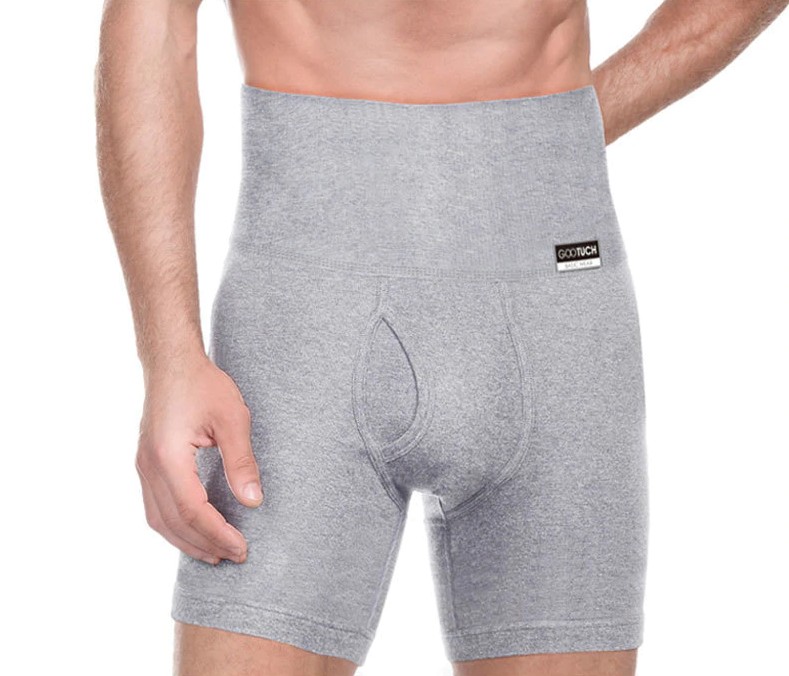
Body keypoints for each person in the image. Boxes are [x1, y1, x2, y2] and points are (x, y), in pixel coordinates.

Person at [94, 1, 787, 674]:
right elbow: (152, 15)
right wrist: (169, 356)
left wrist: (552, 136)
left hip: (551, 305)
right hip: (305, 319)